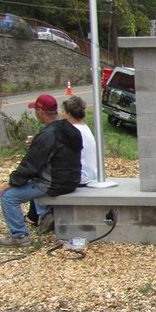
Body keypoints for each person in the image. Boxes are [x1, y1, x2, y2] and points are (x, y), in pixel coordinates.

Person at [0, 94, 82, 247]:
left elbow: (31, 165)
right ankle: (46, 215)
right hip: (72, 180)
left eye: (35, 109)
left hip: (54, 183)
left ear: (41, 111)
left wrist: (11, 183)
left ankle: (19, 236)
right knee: (32, 181)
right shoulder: (71, 129)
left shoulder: (48, 135)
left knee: (8, 197)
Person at [31, 96, 98, 233]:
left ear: (68, 113)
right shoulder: (85, 128)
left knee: (37, 177)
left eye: (63, 111)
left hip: (79, 178)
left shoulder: (69, 131)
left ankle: (44, 215)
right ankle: (37, 215)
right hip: (92, 175)